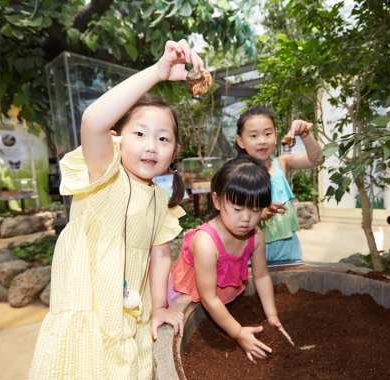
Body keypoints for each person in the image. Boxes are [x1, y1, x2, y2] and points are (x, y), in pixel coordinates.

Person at [29, 39, 206, 379]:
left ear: (175, 150)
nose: (151, 145)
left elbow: (161, 256)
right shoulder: (103, 174)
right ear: (117, 137)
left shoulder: (159, 201)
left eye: (163, 139)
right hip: (88, 315)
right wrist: (157, 72)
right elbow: (92, 120)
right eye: (139, 133)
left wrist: (158, 307)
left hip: (129, 320)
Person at [168, 155, 293, 363]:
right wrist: (238, 332)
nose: (246, 219)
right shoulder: (206, 242)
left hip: (219, 299)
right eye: (237, 209)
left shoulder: (256, 237)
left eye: (255, 210)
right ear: (217, 201)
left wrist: (272, 317)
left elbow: (261, 276)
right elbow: (208, 298)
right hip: (187, 297)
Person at [235, 106, 322, 263]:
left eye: (268, 134)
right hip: (254, 252)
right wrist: (260, 214)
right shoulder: (238, 173)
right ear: (241, 141)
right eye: (253, 136)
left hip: (288, 249)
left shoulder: (282, 163)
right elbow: (233, 215)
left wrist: (305, 135)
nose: (262, 140)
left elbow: (317, 160)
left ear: (276, 136)